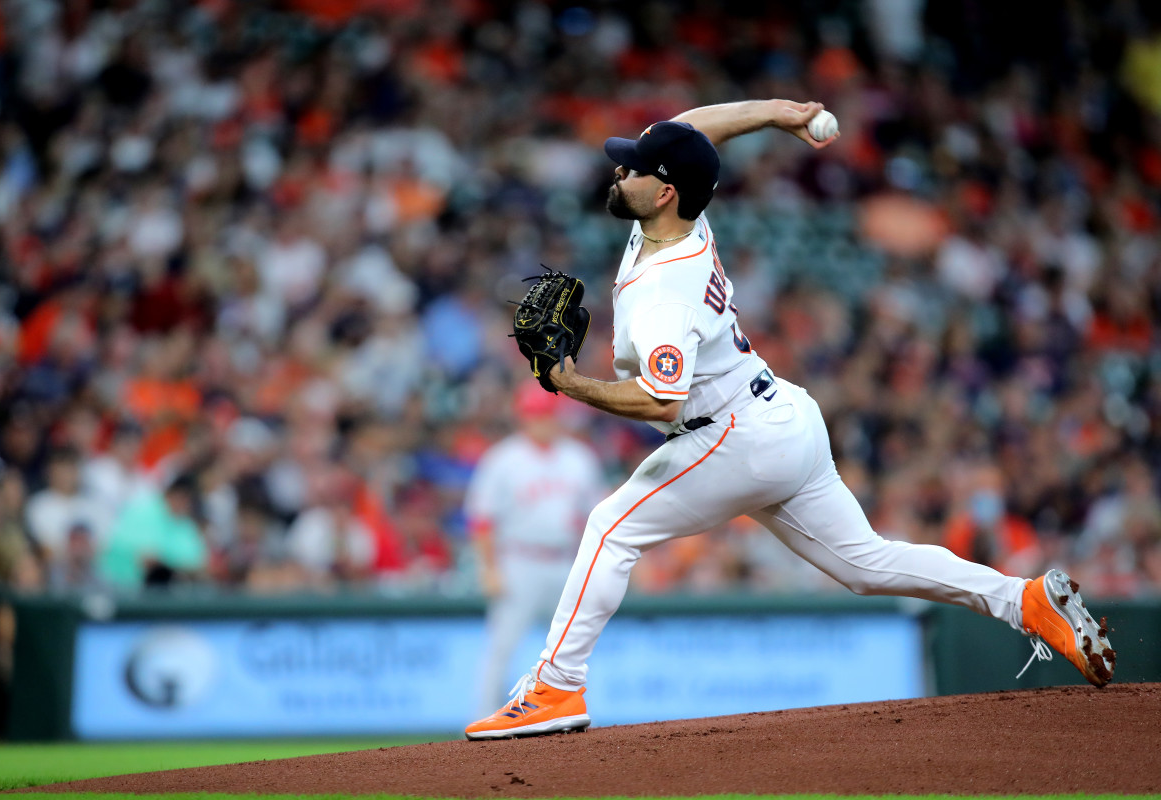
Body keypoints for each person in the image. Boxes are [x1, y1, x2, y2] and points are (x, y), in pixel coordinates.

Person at [464, 100, 1116, 740]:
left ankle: (555, 686)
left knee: (611, 528)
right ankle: (1025, 601)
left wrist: (570, 383)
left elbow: (661, 401)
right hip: (779, 416)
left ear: (664, 192)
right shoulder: (676, 214)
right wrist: (781, 111)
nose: (618, 171)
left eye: (633, 168)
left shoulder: (665, 285)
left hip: (730, 435)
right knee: (868, 565)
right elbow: (694, 129)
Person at [464, 381, 605, 715]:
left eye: (548, 415)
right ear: (524, 417)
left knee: (573, 648)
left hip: (565, 561)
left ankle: (574, 715)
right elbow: (481, 520)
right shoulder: (503, 459)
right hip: (519, 561)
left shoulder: (579, 457)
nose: (543, 421)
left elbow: (598, 515)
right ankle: (482, 718)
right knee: (502, 648)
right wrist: (489, 569)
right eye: (537, 415)